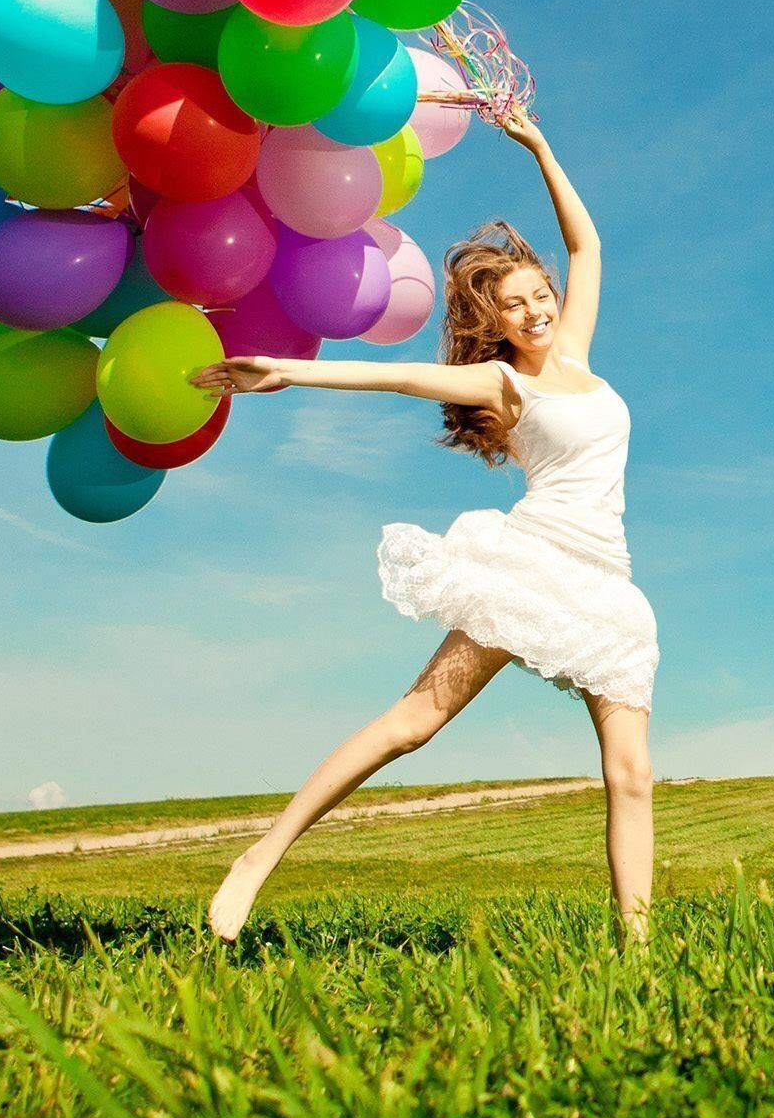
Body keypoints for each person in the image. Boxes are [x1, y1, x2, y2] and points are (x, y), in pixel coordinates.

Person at [189, 103, 660, 947]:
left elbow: (588, 247)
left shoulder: (581, 355)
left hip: (607, 586)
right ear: (499, 325)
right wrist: (287, 375)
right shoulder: (503, 385)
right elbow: (402, 377)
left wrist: (542, 144)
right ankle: (258, 857)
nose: (534, 310)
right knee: (414, 723)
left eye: (538, 294)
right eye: (514, 306)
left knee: (633, 774)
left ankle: (638, 952)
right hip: (531, 565)